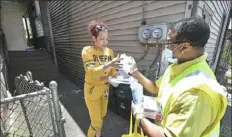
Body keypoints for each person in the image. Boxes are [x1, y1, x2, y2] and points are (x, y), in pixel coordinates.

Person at [124, 17, 228, 137]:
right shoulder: (178, 67)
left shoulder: (197, 93)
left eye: (169, 43)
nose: (167, 47)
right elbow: (155, 88)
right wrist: (135, 71)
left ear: (184, 47)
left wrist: (140, 116)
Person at [82, 20, 121, 137]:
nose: (105, 42)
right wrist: (109, 64)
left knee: (102, 115)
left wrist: (118, 75)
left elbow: (113, 71)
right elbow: (91, 72)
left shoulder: (110, 52)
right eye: (102, 38)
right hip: (92, 89)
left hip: (105, 90)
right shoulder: (87, 51)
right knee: (96, 123)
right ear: (94, 38)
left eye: (106, 39)